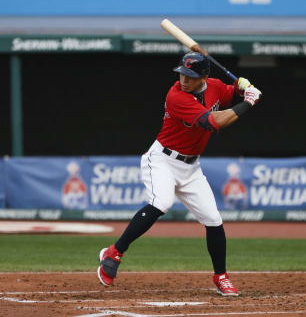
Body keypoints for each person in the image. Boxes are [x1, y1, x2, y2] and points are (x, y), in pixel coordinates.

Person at [97, 52, 262, 296]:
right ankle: (115, 251)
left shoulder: (214, 86)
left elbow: (231, 91)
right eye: (182, 74)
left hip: (191, 167)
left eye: (191, 76)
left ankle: (221, 276)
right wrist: (248, 102)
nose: (184, 79)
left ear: (204, 77)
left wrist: (242, 86)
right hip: (162, 159)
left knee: (213, 220)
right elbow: (214, 122)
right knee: (161, 203)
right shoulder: (176, 96)